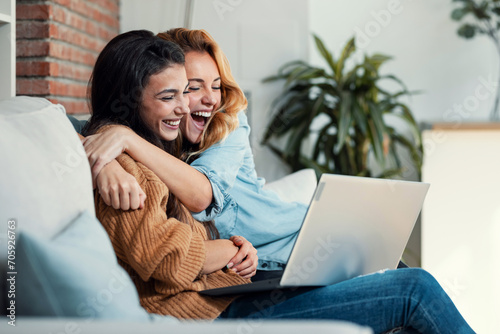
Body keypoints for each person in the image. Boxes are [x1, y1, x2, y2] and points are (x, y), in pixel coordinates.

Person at [82, 28, 475, 333]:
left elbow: (196, 210)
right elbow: (169, 253)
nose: (194, 102)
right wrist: (105, 154)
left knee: (403, 284)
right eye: (182, 90)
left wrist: (231, 247)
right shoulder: (131, 169)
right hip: (225, 302)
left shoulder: (213, 132)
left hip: (262, 273)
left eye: (211, 87)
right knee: (414, 289)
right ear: (135, 98)